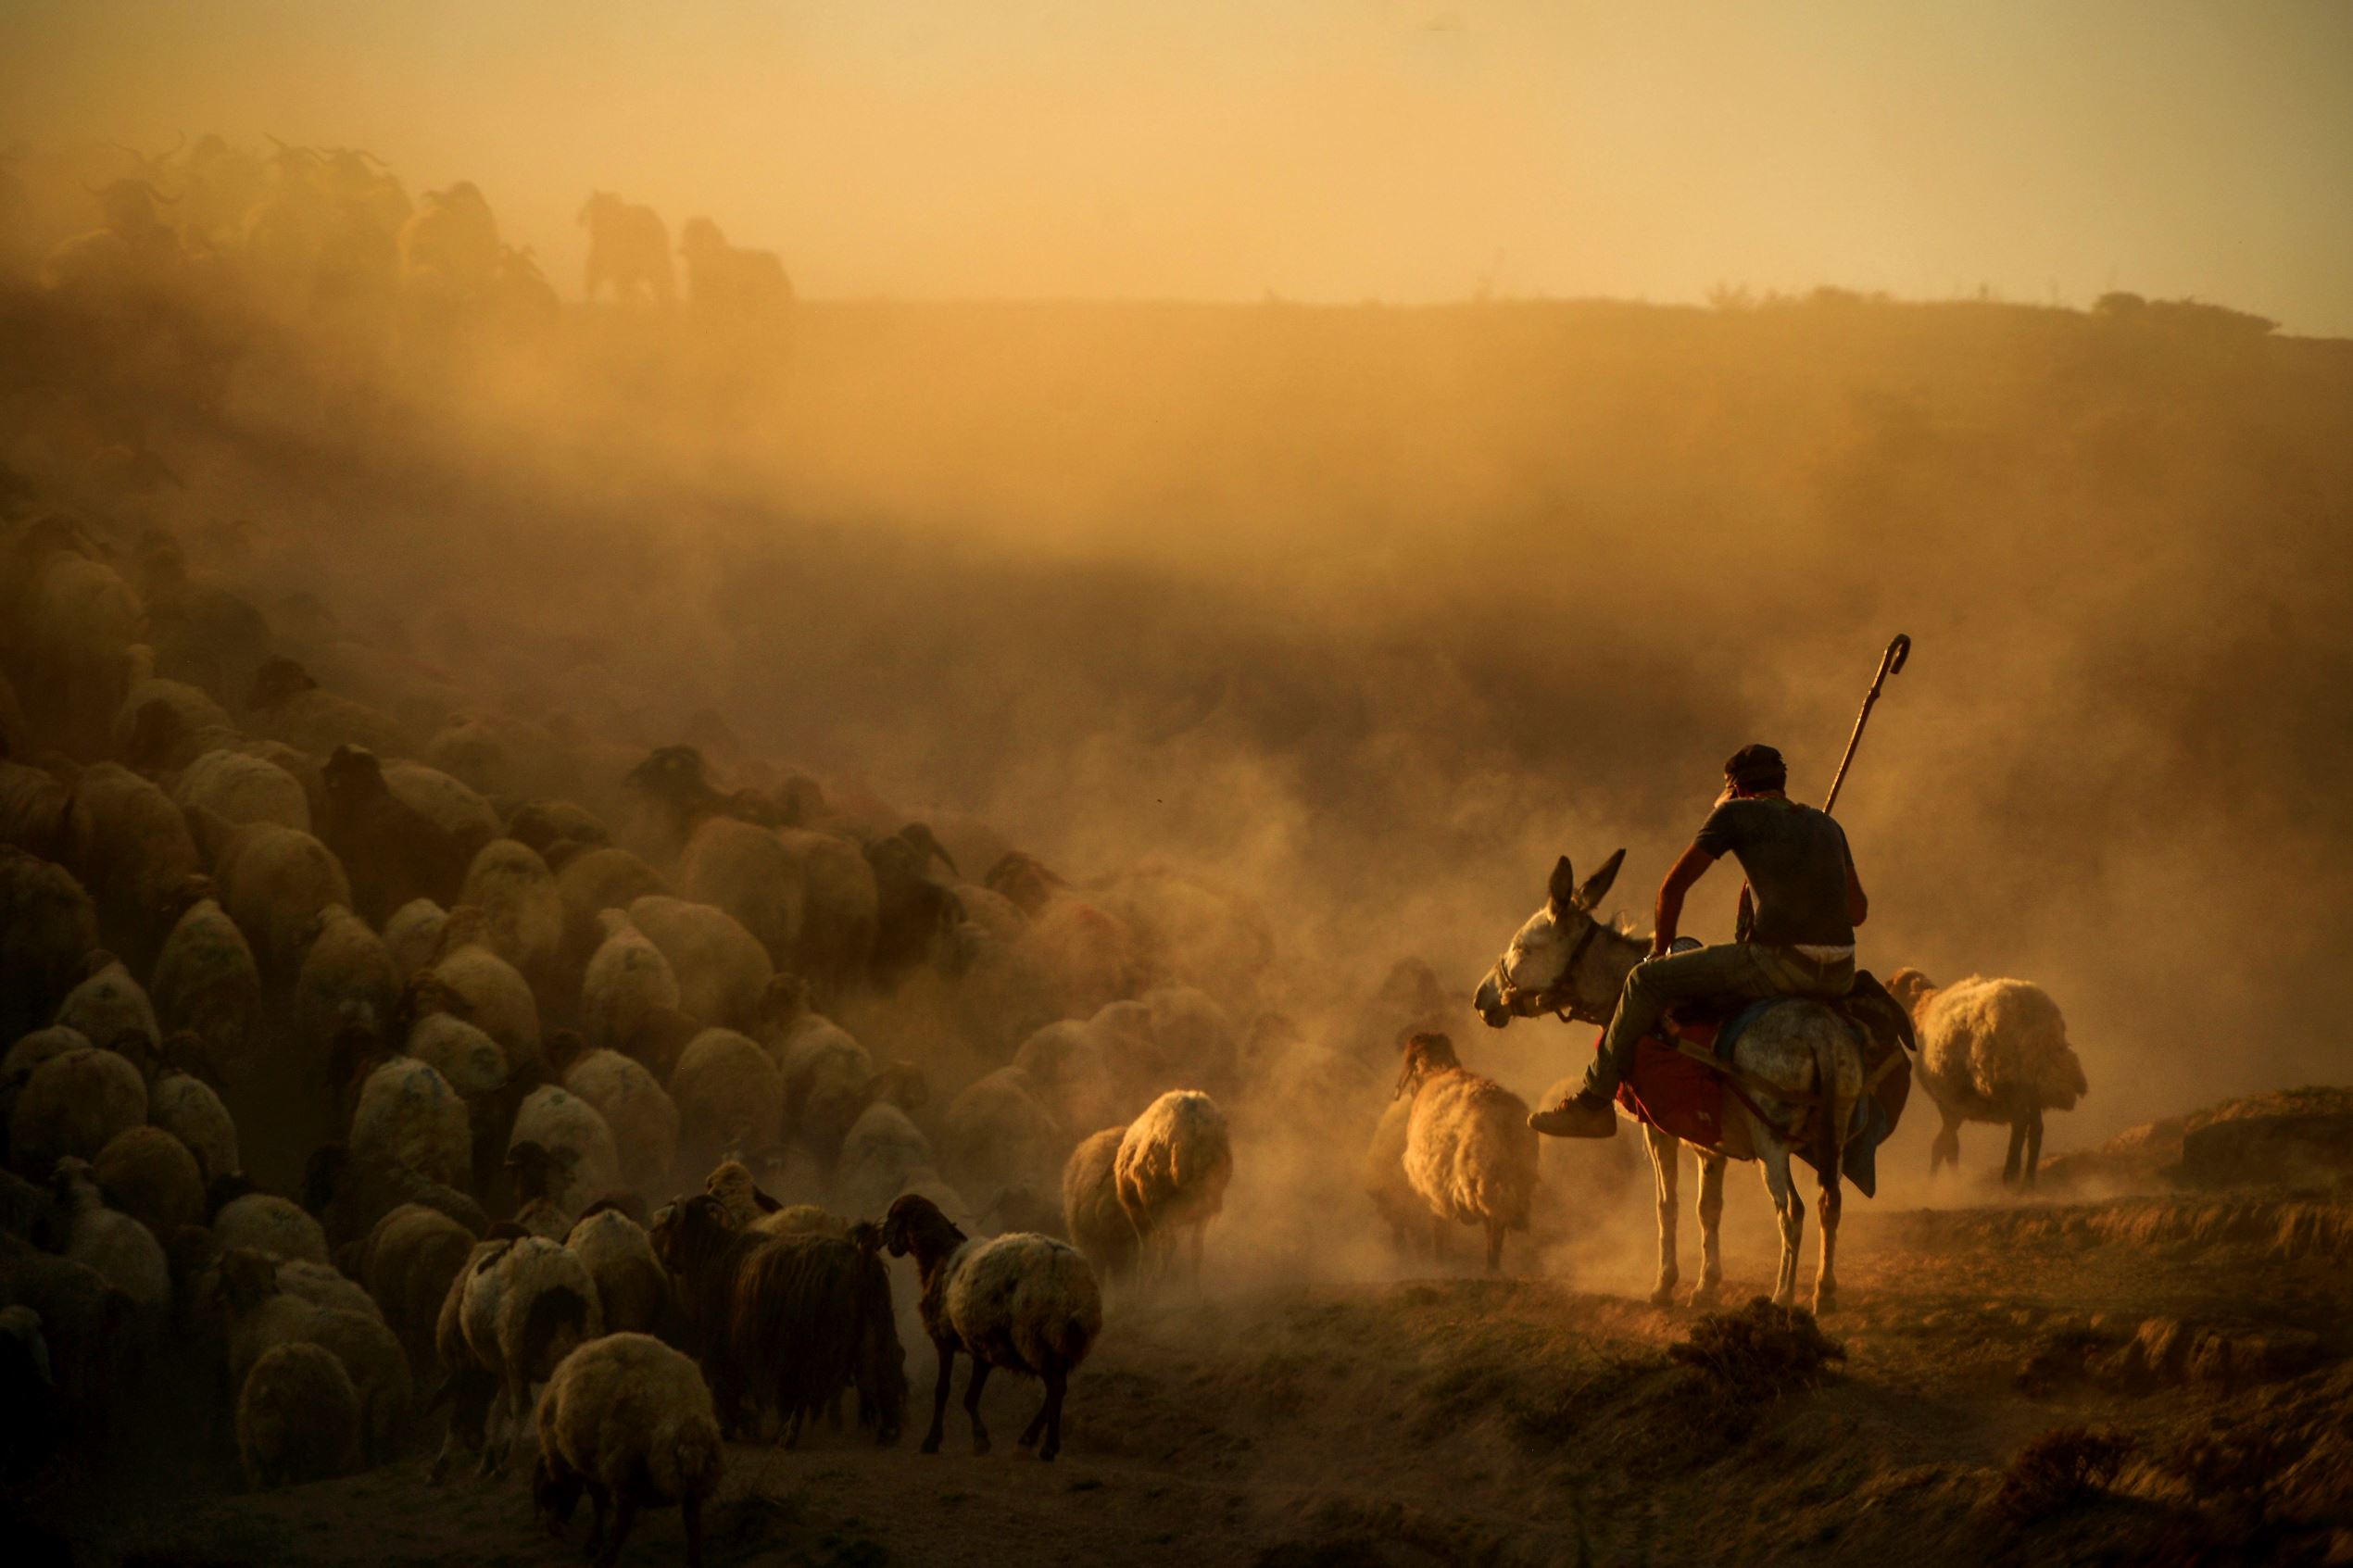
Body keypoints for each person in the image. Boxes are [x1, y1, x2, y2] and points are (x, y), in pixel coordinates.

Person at [1529, 743, 1869, 1138]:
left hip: (1780, 965)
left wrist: (1658, 957)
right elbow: (1857, 912)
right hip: (1840, 972)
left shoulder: (1734, 813)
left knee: (1643, 983)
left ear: (1738, 789)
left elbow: (1672, 889)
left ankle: (1592, 1102)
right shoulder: (1827, 825)